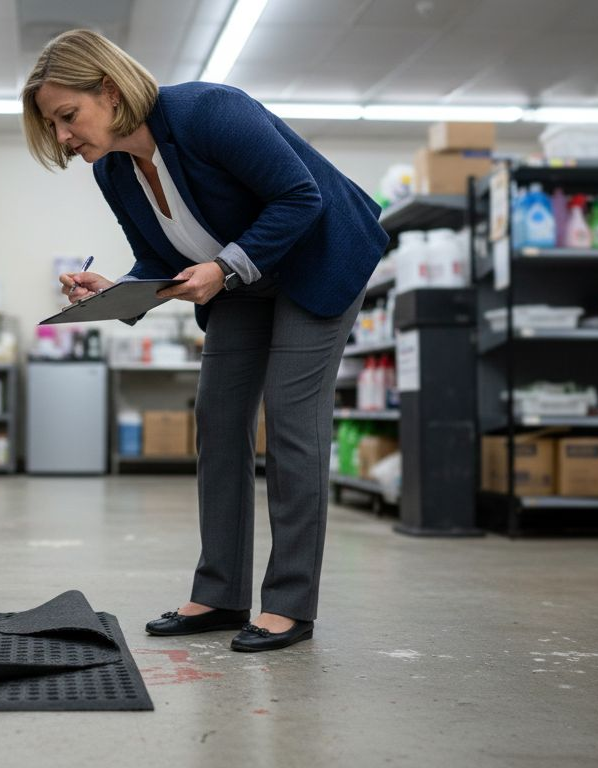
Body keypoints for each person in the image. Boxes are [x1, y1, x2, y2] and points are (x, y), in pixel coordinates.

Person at [22, 30, 388, 652]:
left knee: (292, 418)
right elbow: (157, 257)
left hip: (318, 258)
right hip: (245, 278)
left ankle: (291, 604)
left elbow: (302, 197)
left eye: (67, 117)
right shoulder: (114, 170)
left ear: (108, 91)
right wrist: (115, 291)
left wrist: (224, 267)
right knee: (218, 418)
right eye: (53, 126)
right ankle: (220, 593)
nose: (62, 137)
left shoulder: (208, 111)